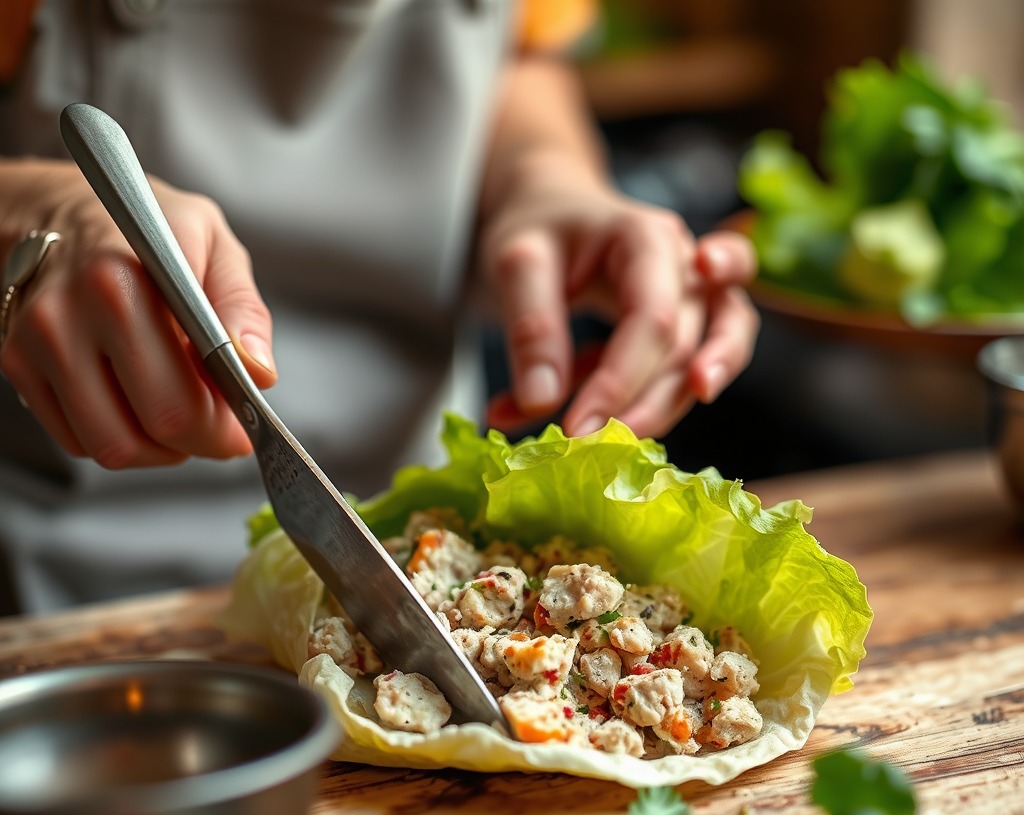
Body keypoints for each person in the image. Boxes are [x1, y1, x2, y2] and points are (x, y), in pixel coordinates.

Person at [0, 0, 758, 615]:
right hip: (73, 591)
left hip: (424, 548)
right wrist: (32, 215)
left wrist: (546, 176)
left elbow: (522, 54)